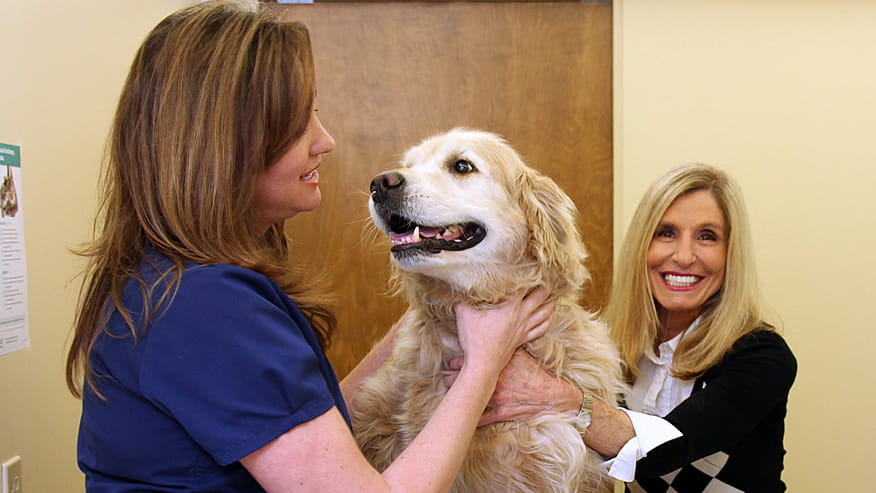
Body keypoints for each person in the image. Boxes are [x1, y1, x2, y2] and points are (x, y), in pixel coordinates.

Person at [64, 2, 554, 492]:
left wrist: (419, 323)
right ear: (228, 141)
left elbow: (301, 435)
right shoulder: (206, 304)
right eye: (299, 121)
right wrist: (483, 364)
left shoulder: (177, 278)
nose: (326, 141)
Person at [471, 163, 797, 492]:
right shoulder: (615, 349)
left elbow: (665, 452)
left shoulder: (763, 357)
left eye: (707, 237)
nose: (684, 256)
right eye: (666, 233)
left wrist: (564, 401)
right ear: (643, 245)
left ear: (731, 254)